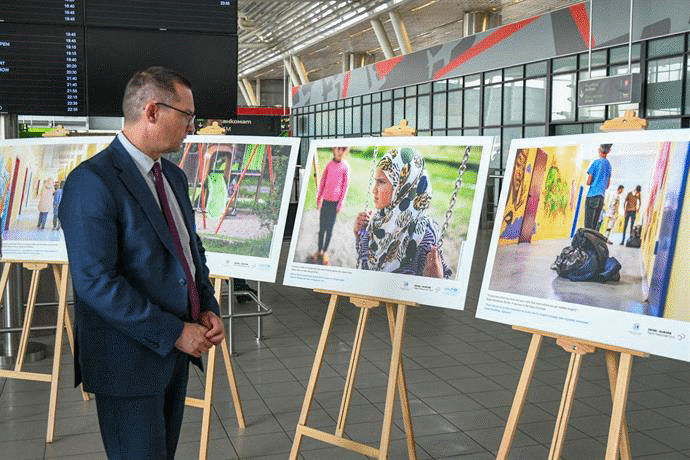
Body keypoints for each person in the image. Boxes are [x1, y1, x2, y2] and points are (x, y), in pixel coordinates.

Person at [59, 67, 224, 460]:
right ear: (152, 110)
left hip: (174, 356)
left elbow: (189, 250)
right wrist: (174, 332)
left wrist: (207, 306)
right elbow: (96, 282)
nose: (191, 127)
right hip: (127, 363)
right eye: (186, 116)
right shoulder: (92, 182)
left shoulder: (173, 176)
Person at [353, 147, 451, 278]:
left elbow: (440, 286)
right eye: (375, 181)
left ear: (402, 186)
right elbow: (364, 263)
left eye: (381, 182)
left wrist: (436, 280)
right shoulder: (377, 221)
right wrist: (358, 233)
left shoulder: (423, 235)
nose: (373, 190)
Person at [313, 146, 349, 265]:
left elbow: (344, 187)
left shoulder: (345, 167)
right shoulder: (329, 165)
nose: (340, 152)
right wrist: (319, 200)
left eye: (342, 150)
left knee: (329, 230)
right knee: (321, 229)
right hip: (325, 203)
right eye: (338, 149)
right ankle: (319, 250)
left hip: (334, 205)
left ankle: (324, 252)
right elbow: (322, 183)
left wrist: (340, 204)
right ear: (334, 150)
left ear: (344, 152)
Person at [584, 143, 613, 231]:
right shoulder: (609, 165)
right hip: (601, 197)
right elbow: (607, 185)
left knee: (588, 224)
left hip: (592, 195)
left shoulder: (596, 163)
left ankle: (586, 243)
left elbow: (588, 182)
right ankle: (592, 243)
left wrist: (593, 182)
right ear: (608, 151)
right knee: (595, 224)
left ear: (599, 150)